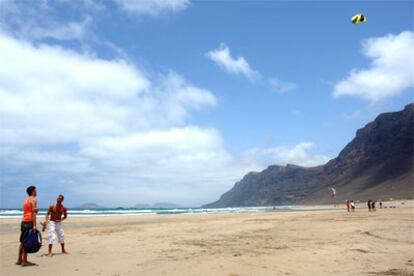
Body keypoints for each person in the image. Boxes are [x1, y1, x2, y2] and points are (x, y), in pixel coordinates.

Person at [16, 186, 38, 266]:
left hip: (24, 221)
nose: (36, 192)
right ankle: (24, 261)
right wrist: (35, 225)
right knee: (27, 242)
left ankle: (19, 259)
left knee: (22, 241)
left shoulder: (25, 200)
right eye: (35, 190)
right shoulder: (33, 199)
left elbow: (27, 211)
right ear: (32, 191)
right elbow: (33, 213)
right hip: (29, 222)